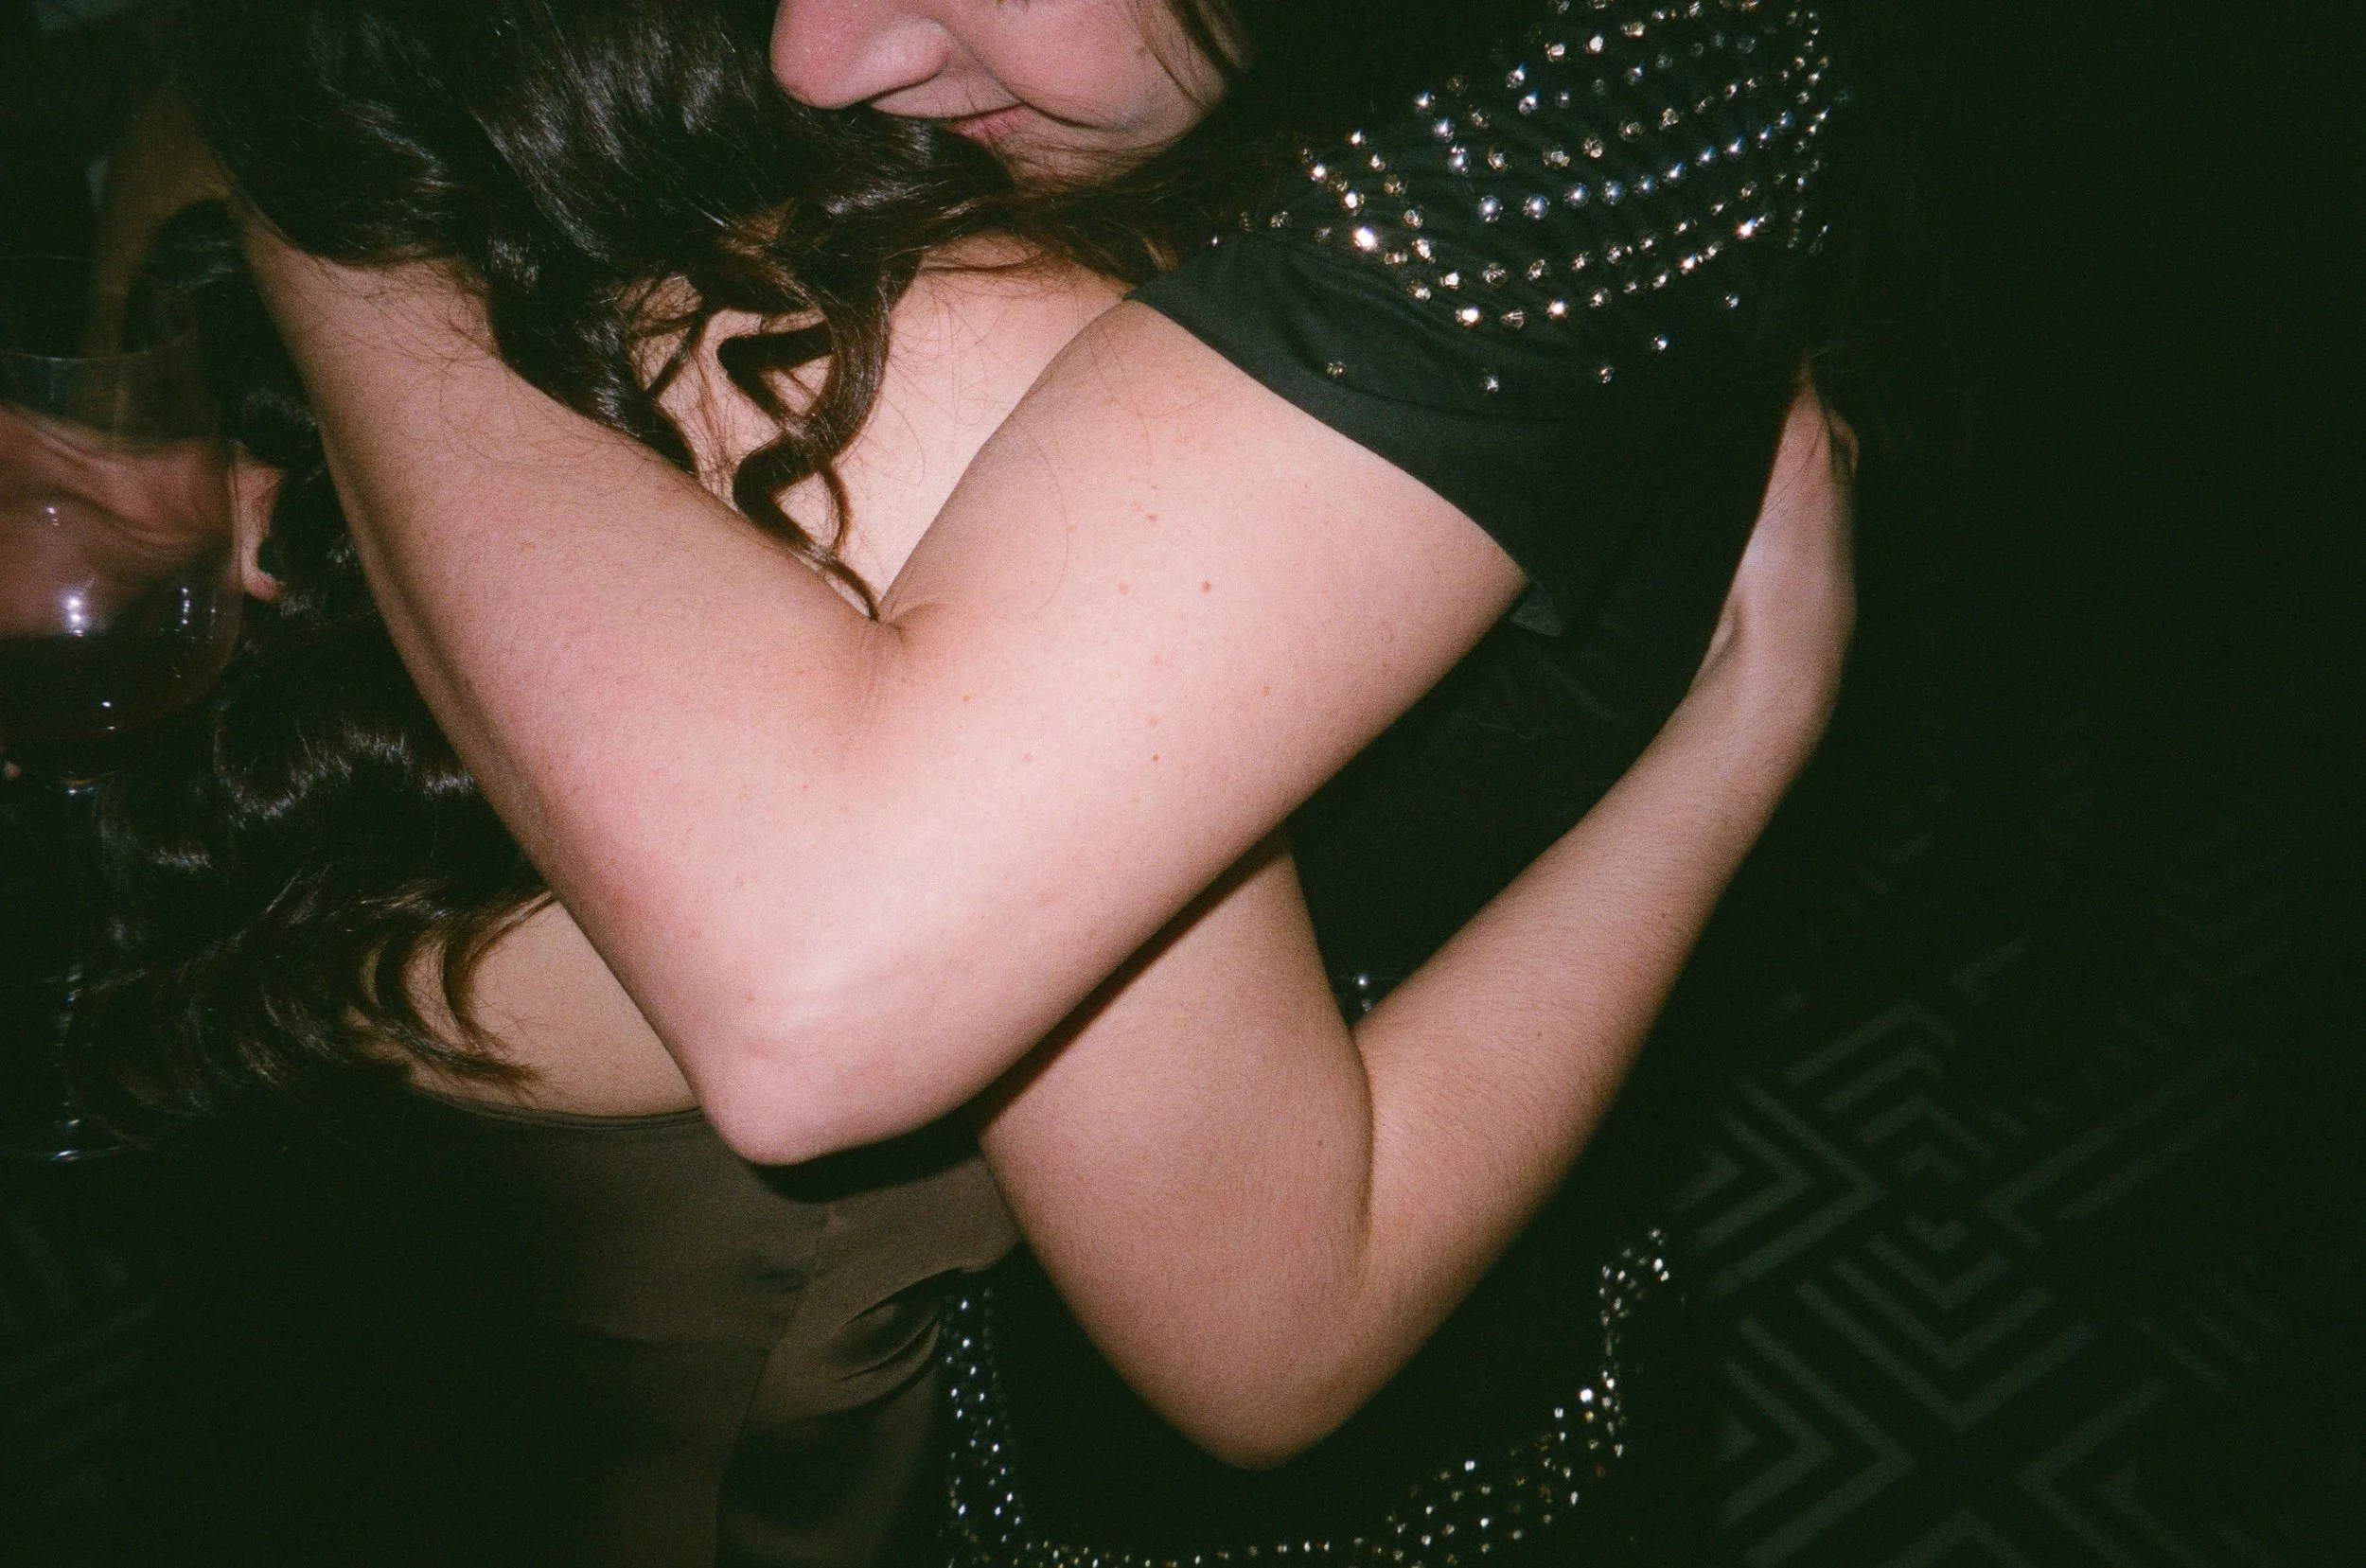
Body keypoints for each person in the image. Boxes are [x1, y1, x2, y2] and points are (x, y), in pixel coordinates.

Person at [89, 0, 1851, 1559]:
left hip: (253, 1359)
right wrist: (1752, 715)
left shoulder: (261, 126)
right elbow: (1272, 1331)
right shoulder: (919, 361)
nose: (821, 54)